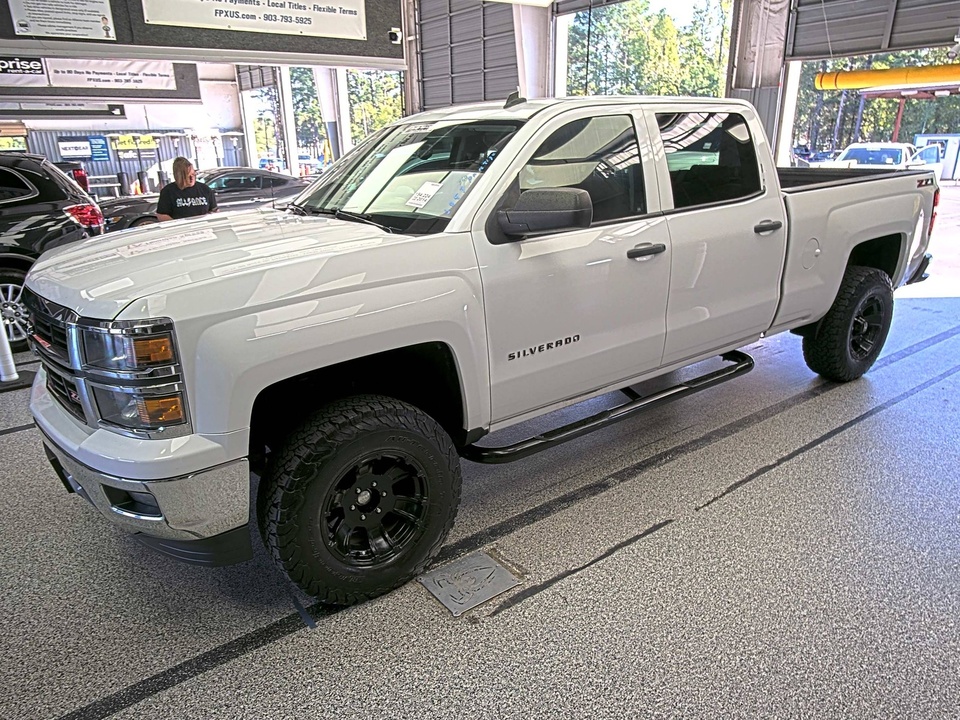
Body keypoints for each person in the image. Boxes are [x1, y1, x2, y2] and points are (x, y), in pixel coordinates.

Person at [156, 157, 217, 221]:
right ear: (179, 176)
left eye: (193, 174)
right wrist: (177, 224)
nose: (192, 178)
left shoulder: (205, 189)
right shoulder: (168, 192)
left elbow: (214, 210)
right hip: (182, 229)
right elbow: (161, 215)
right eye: (187, 176)